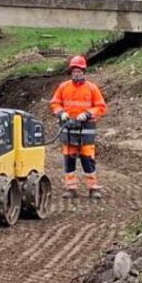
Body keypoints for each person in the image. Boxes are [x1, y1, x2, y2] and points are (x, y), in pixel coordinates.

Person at [50, 55, 107, 199]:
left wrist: (87, 113)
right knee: (69, 159)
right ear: (71, 72)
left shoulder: (91, 88)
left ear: (84, 72)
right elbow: (55, 103)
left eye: (79, 71)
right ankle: (71, 188)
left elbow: (100, 106)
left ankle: (93, 188)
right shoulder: (63, 87)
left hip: (86, 129)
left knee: (87, 159)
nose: (76, 73)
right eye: (74, 71)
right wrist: (61, 113)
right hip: (68, 128)